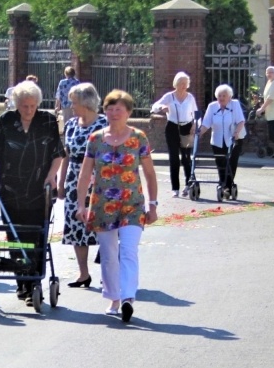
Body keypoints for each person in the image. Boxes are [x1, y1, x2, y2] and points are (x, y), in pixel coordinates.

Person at [76, 90, 158, 323]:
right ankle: (113, 297)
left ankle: (128, 298)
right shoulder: (96, 139)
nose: (113, 114)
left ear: (128, 113)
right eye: (109, 109)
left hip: (132, 204)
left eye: (118, 110)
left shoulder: (139, 138)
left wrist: (152, 205)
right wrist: (81, 204)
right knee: (109, 255)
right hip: (102, 204)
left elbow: (150, 174)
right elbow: (85, 174)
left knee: (129, 251)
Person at [0, 80, 64, 306]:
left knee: (36, 237)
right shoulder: (6, 122)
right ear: (16, 104)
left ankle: (34, 281)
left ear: (38, 104)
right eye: (24, 106)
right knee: (16, 239)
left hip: (40, 190)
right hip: (10, 190)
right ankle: (23, 284)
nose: (28, 110)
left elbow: (58, 153)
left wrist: (52, 176)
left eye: (32, 106)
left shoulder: (47, 120)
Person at [57, 83, 108, 288]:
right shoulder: (70, 125)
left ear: (86, 103)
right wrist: (61, 183)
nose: (71, 105)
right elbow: (66, 156)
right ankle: (83, 274)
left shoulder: (104, 125)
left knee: (103, 227)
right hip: (74, 181)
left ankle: (108, 271)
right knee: (76, 226)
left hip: (99, 180)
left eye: (74, 102)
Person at [151, 71, 198, 197]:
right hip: (172, 127)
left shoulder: (190, 97)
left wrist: (195, 125)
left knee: (186, 157)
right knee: (174, 158)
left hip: (186, 127)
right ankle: (175, 188)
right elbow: (155, 106)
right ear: (175, 84)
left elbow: (196, 113)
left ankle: (189, 184)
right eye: (180, 83)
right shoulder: (169, 96)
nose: (183, 86)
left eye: (185, 83)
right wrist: (162, 108)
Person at [198, 84, 246, 198]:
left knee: (231, 163)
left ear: (229, 97)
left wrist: (236, 133)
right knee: (221, 163)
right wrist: (199, 133)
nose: (221, 98)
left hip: (235, 139)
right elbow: (206, 124)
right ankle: (223, 185)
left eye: (224, 95)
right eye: (219, 95)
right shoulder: (212, 107)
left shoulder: (235, 104)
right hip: (217, 140)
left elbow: (241, 121)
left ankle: (228, 187)